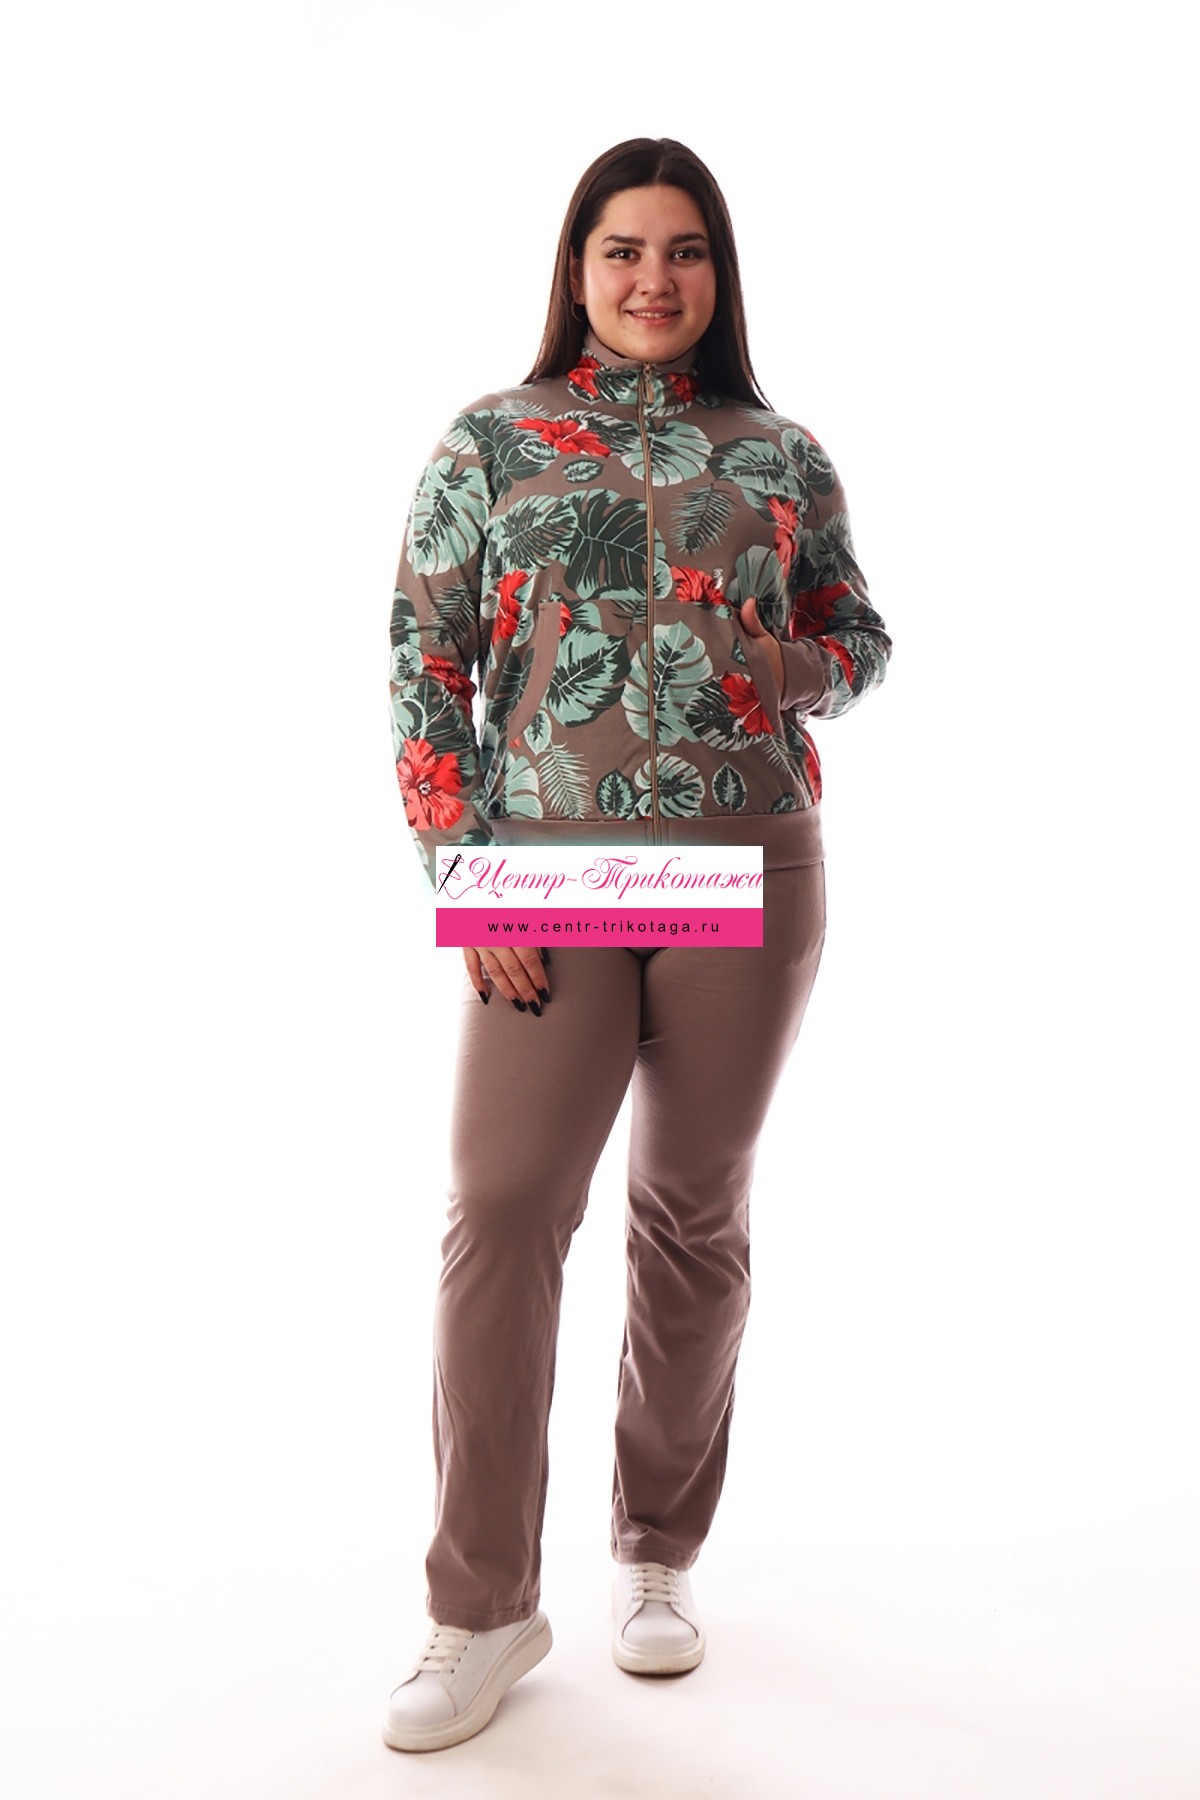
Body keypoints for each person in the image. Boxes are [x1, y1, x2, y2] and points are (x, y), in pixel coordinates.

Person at [382, 136, 892, 1754]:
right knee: (503, 1205)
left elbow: (861, 639)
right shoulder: (492, 440)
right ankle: (482, 1607)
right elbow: (423, 663)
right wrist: (466, 875)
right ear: (577, 268)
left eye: (685, 251)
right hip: (551, 872)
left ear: (718, 274)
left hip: (750, 863)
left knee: (690, 1210)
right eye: (624, 250)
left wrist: (793, 670)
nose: (654, 279)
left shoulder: (782, 455)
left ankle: (657, 1549)